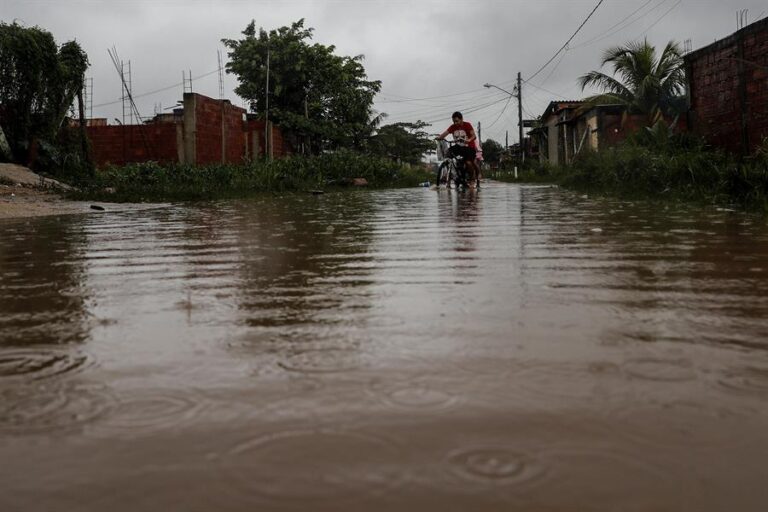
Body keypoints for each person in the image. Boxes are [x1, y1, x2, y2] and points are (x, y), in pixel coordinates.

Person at [437, 111, 480, 189]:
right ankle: (448, 176)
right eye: (454, 121)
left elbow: (474, 136)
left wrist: (469, 140)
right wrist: (439, 137)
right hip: (458, 147)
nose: (455, 123)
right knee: (447, 155)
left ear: (461, 119)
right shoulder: (452, 127)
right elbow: (445, 133)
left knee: (468, 163)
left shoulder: (467, 125)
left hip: (469, 147)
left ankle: (472, 179)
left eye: (457, 121)